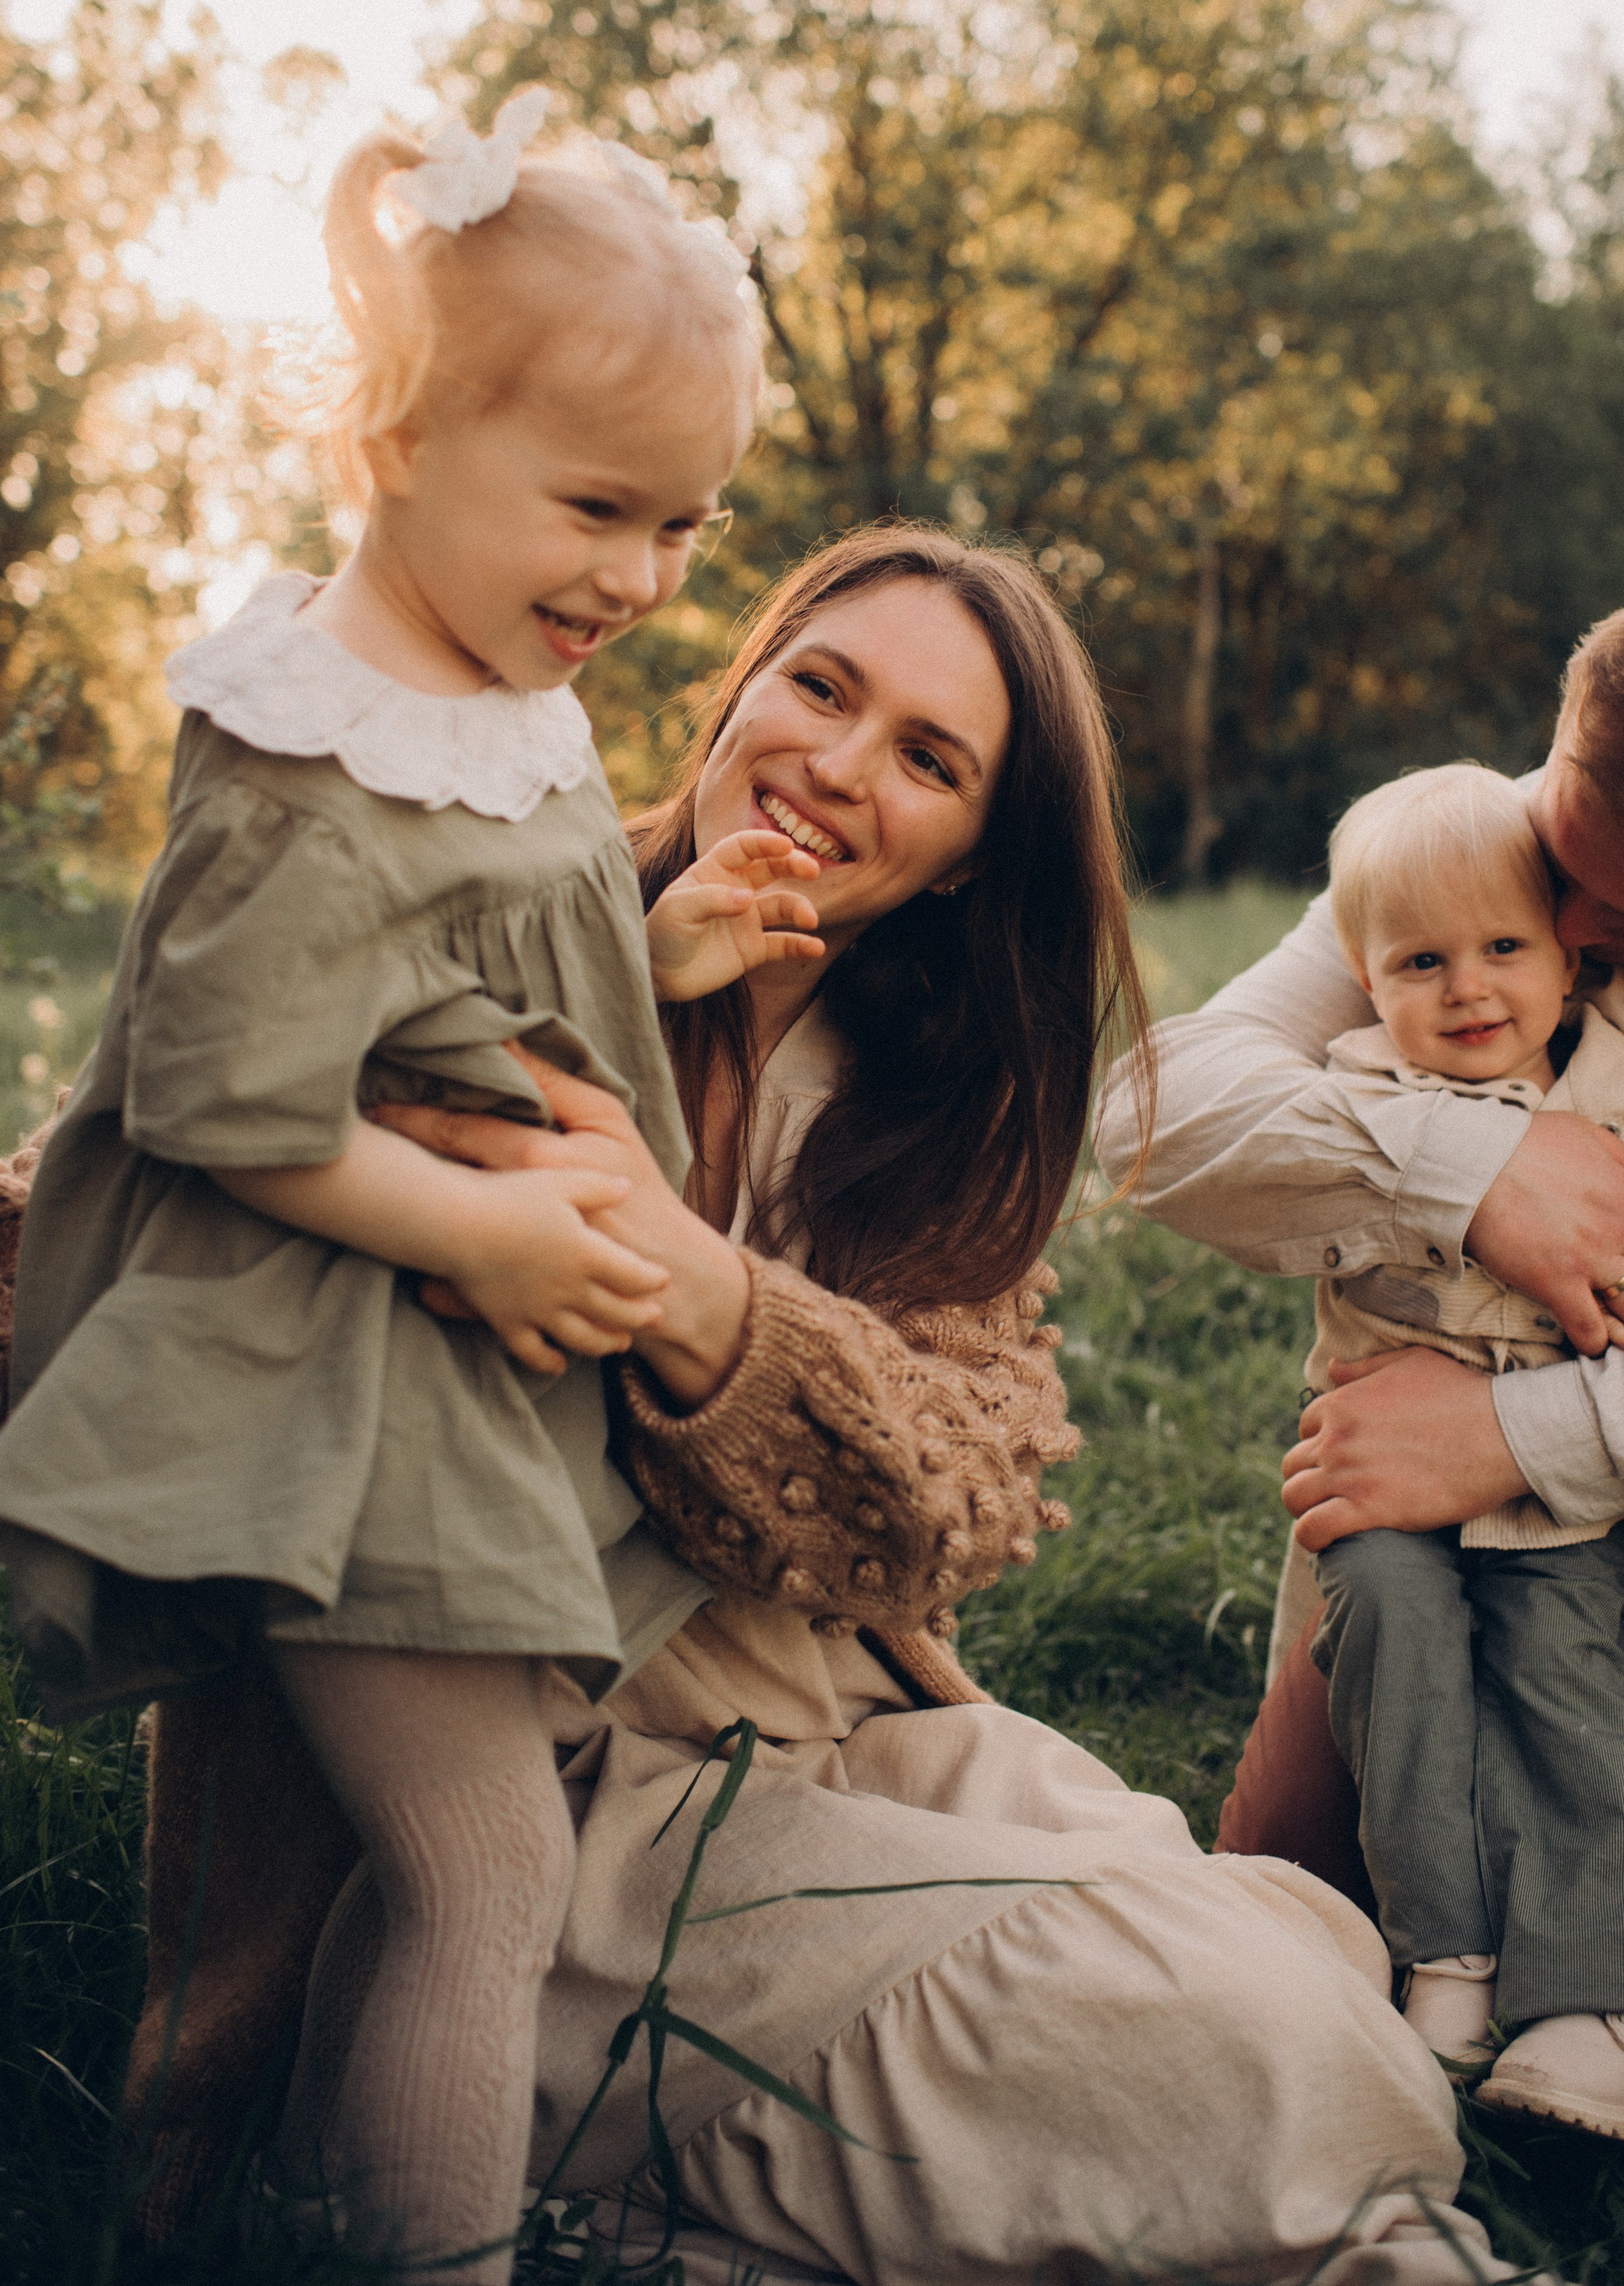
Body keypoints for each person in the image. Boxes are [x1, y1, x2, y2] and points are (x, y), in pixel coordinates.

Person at [91, 533, 1542, 2286]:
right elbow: (107, 1212)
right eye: (822, 688)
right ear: (742, 683)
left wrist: (708, 1299)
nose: (839, 771)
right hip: (522, 1781)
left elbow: (956, 1505)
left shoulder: (916, 1098)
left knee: (1302, 1987)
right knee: (1219, 2040)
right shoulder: (495, 921)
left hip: (829, 1722)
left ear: (959, 863)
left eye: (928, 761)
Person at [0, 92, 824, 2283]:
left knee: (433, 1873)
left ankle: (320, 2212)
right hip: (332, 1393)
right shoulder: (307, 743)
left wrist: (646, 961)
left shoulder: (493, 686)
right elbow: (215, 1087)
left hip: (442, 1392)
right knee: (480, 1874)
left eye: (686, 525)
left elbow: (446, 988)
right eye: (596, 509)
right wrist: (473, 1224)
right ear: (392, 438)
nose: (643, 583)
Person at [1093, 580, 1624, 2132]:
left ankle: (1616, 1977)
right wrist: (1470, 1170)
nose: (1564, 929)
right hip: (1446, 1543)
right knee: (1290, 1930)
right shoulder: (1480, 854)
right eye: (1565, 851)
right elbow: (1156, 1112)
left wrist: (1509, 1435)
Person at [1302, 759, 1624, 2137]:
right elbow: (1224, 1169)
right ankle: (1443, 1957)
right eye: (1418, 963)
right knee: (1391, 1653)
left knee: (1572, 1691)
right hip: (1385, 1495)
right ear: (1360, 972)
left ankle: (1606, 2003)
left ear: (1564, 960)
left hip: (1569, 1503)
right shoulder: (1348, 1094)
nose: (1465, 991)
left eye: (1503, 951)